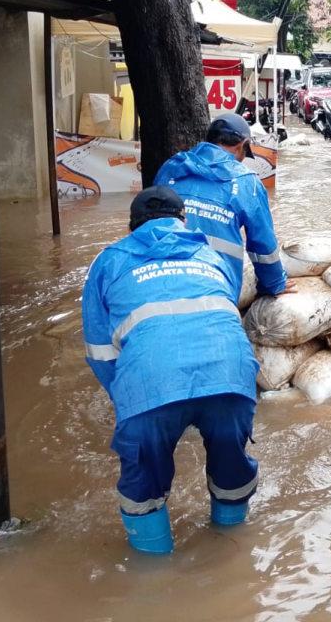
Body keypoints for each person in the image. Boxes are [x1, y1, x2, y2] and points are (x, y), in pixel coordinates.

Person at [82, 187, 261, 555]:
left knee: (143, 482)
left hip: (150, 381)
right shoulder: (210, 253)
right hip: (231, 376)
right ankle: (231, 559)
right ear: (183, 220)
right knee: (231, 466)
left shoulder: (109, 261)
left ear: (132, 226)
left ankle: (155, 580)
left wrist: (131, 399)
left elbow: (100, 352)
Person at [154, 113, 289, 298]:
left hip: (160, 280)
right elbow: (262, 245)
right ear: (243, 145)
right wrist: (275, 284)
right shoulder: (247, 182)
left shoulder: (170, 167)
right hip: (215, 286)